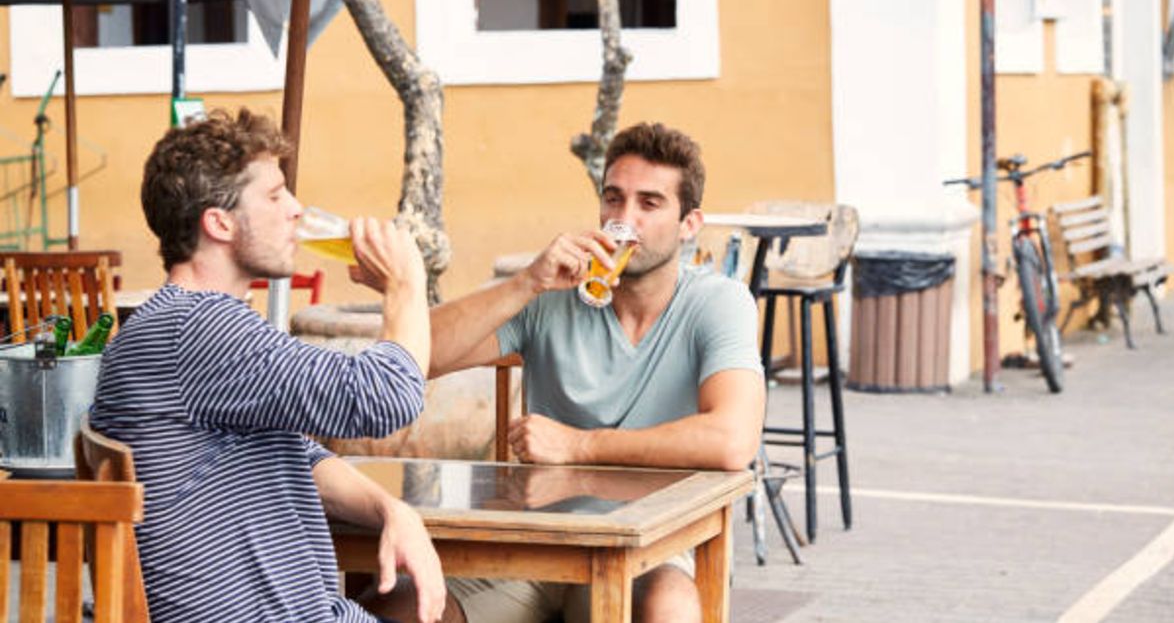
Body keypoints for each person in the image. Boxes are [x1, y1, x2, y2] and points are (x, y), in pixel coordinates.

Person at [89, 109, 445, 623]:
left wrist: (391, 509)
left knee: (425, 602)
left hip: (302, 612)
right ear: (220, 222)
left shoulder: (182, 323)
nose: (296, 209)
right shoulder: (200, 328)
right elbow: (386, 397)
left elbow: (295, 450)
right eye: (276, 196)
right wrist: (407, 283)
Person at [428, 122, 766, 623]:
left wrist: (580, 446)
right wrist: (525, 283)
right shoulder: (552, 294)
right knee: (404, 603)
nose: (623, 220)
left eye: (649, 204)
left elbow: (733, 441)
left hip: (654, 547)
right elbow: (417, 356)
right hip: (536, 544)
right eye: (613, 199)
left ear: (689, 224)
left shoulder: (717, 303)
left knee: (669, 606)